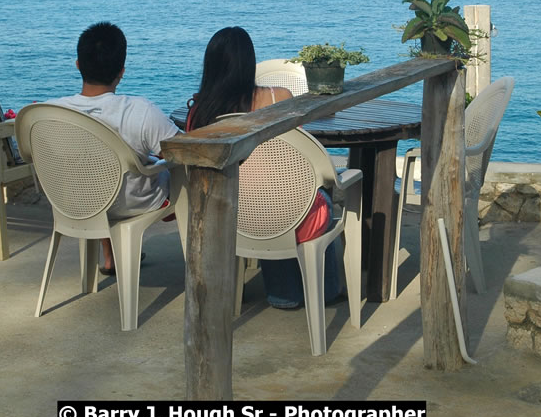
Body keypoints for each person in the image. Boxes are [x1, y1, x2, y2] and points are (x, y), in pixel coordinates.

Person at [186, 26, 343, 309]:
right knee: (315, 199)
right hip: (287, 209)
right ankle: (324, 291)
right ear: (250, 63)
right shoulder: (279, 98)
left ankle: (284, 295)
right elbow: (296, 151)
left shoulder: (200, 112)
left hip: (233, 212)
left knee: (259, 199)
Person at [47, 21, 179, 274]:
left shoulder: (54, 112)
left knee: (92, 172)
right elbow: (182, 153)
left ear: (78, 65)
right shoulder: (140, 111)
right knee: (181, 172)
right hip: (133, 203)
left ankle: (110, 257)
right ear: (122, 71)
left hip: (75, 202)